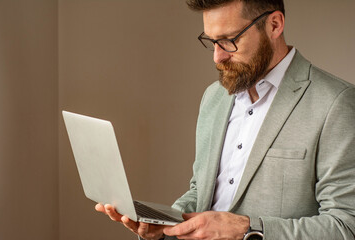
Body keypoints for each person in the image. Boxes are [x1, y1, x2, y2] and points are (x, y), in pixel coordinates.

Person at [96, 0, 355, 239]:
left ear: (274, 25)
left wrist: (246, 229)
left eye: (229, 40)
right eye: (211, 41)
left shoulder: (336, 103)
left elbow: (346, 225)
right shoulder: (214, 97)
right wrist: (168, 223)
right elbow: (202, 190)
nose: (217, 57)